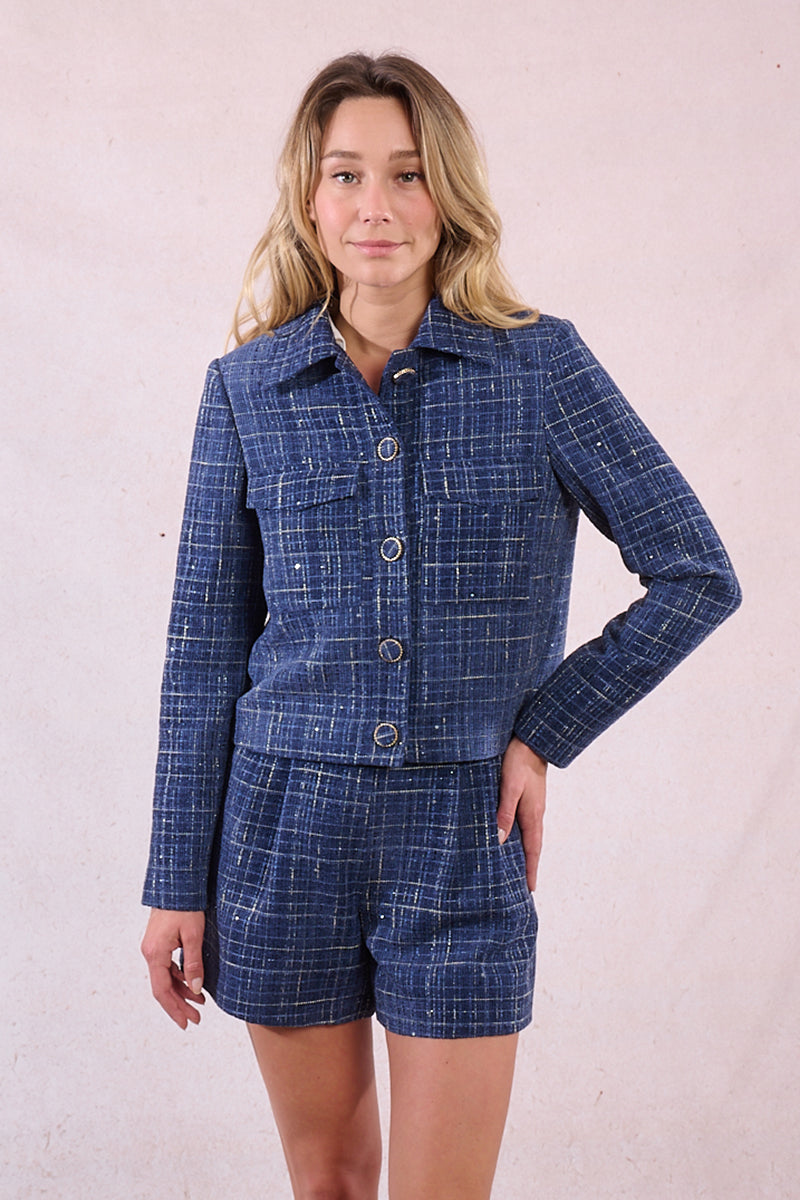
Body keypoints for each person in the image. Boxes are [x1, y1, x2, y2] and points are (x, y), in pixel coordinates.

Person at [140, 51, 741, 1200]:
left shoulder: (537, 365)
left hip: (461, 835)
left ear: (448, 191)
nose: (376, 205)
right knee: (326, 1180)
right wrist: (175, 877)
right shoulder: (246, 390)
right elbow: (202, 652)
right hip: (281, 832)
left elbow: (692, 573)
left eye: (408, 174)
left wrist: (542, 731)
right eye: (346, 174)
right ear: (308, 197)